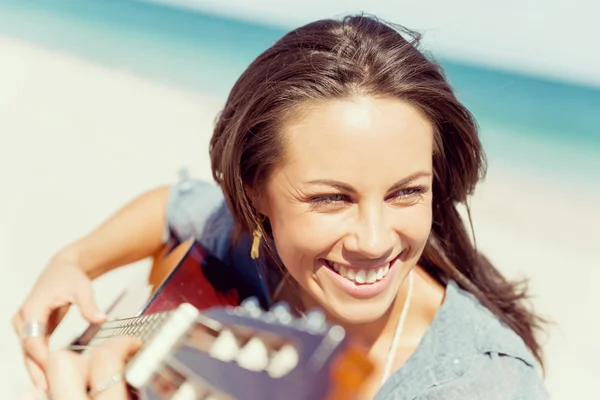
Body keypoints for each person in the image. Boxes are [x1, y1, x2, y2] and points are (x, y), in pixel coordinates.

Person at [12, 14, 549, 399]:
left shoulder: (484, 383)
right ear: (256, 197)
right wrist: (72, 262)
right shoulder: (257, 245)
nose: (374, 239)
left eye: (406, 191)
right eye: (330, 198)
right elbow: (173, 205)